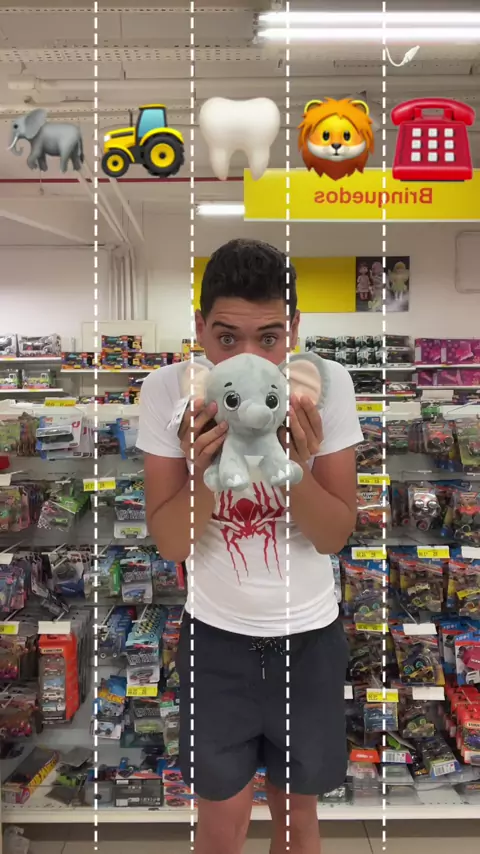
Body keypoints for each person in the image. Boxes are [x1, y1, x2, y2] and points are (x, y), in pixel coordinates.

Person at [137, 238, 363, 854]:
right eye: (226, 337)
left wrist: (292, 466)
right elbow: (171, 543)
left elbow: (333, 535)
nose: (248, 356)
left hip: (309, 638)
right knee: (220, 826)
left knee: (298, 822)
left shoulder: (325, 387)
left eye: (269, 338)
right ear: (199, 329)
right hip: (215, 639)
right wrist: (202, 469)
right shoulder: (167, 392)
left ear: (295, 329)